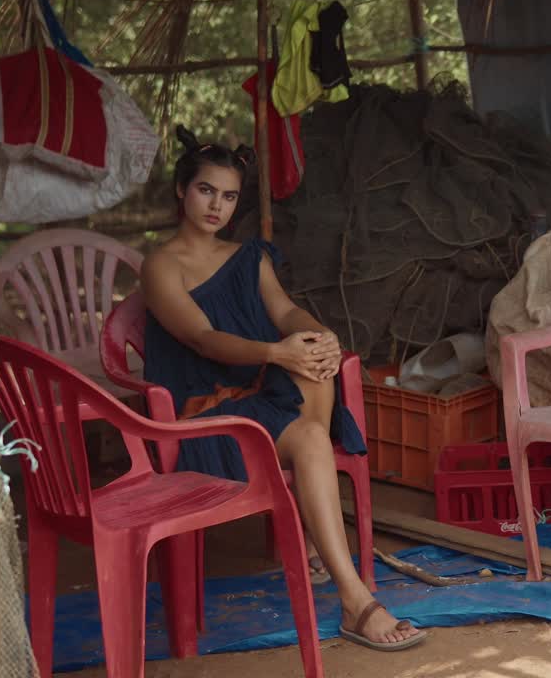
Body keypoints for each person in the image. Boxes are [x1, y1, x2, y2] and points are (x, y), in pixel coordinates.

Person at [140, 127, 426, 651]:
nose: (216, 206)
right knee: (307, 399)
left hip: (257, 404)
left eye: (228, 196)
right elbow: (202, 339)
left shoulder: (250, 257)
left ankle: (353, 602)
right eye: (206, 191)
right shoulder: (160, 266)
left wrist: (319, 335)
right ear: (182, 190)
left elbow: (284, 311)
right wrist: (277, 352)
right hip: (205, 421)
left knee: (314, 394)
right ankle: (338, 567)